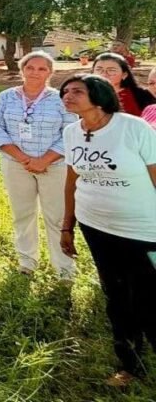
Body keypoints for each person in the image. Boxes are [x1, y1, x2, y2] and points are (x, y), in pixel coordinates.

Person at [58, 74, 156, 387]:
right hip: (96, 227)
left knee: (148, 298)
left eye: (77, 91)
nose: (67, 96)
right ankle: (130, 365)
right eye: (65, 91)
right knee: (115, 296)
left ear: (99, 95)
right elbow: (73, 180)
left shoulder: (133, 127)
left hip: (143, 229)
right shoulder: (72, 131)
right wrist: (67, 225)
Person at [0, 51, 77, 279]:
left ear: (50, 72)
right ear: (22, 70)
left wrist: (44, 160)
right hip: (15, 164)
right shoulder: (6, 97)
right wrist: (23, 159)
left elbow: (69, 132)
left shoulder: (61, 98)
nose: (35, 72)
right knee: (23, 214)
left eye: (42, 68)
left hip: (54, 166)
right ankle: (27, 262)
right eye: (30, 67)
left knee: (57, 217)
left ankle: (64, 269)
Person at [92, 53, 155, 117]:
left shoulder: (141, 94)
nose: (104, 74)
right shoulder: (86, 94)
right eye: (99, 70)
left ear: (124, 75)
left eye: (111, 70)